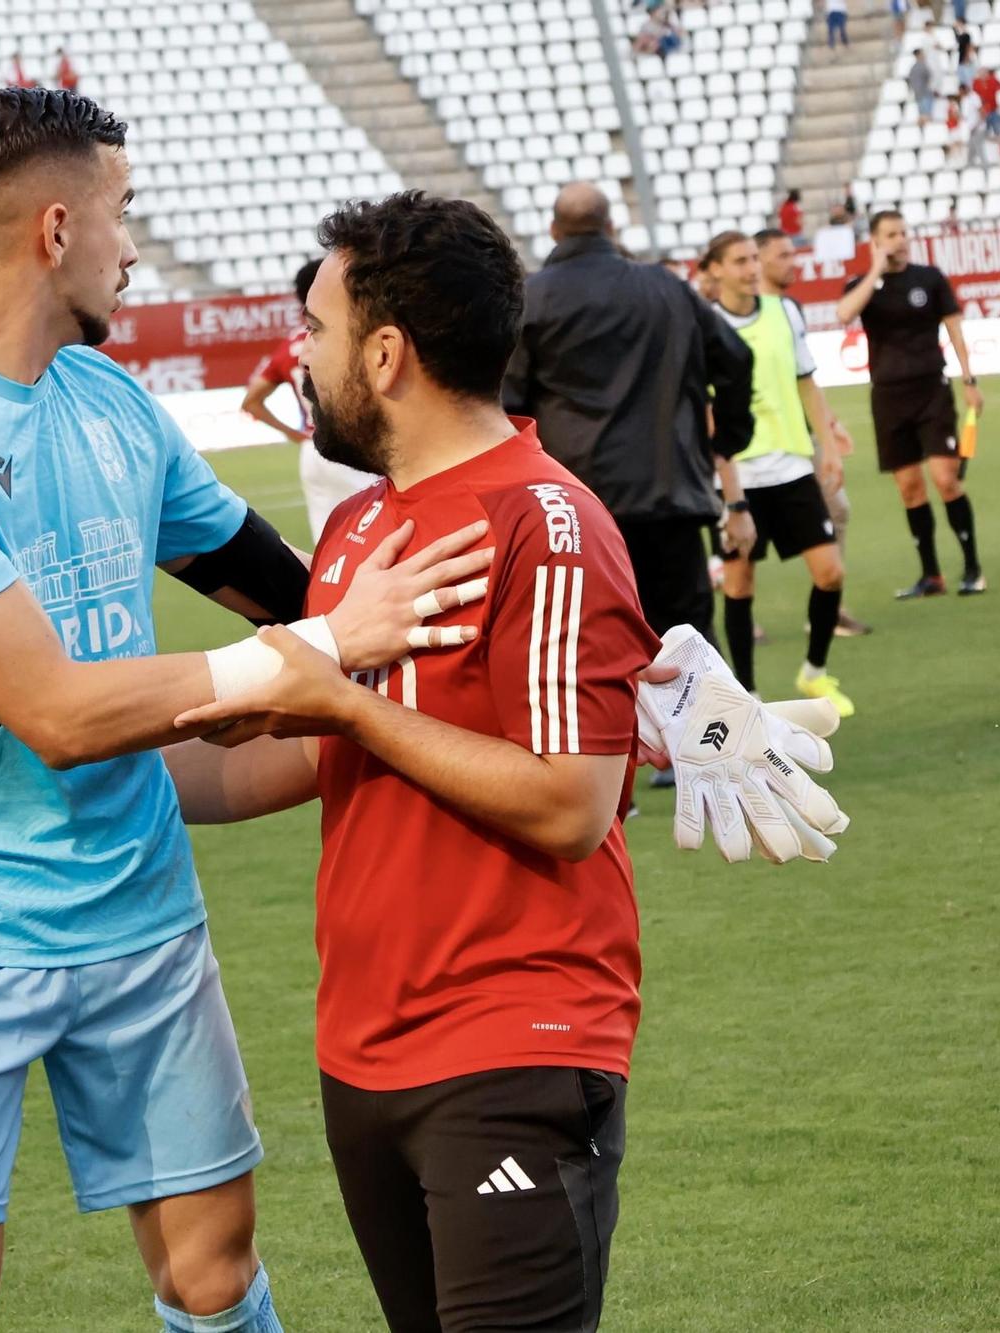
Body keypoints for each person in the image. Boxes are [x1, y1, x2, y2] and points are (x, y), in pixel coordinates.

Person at [0, 87, 492, 1333]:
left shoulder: (111, 407)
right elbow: (57, 710)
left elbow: (286, 583)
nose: (136, 245)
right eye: (124, 214)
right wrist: (328, 645)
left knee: (212, 1275)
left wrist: (610, 660)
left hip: (140, 912)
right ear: (54, 230)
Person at [171, 191, 659, 1333]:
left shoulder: (543, 521)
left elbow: (570, 802)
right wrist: (66, 754)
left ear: (383, 354)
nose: (303, 357)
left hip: (514, 1042)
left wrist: (339, 700)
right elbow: (284, 763)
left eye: (316, 330)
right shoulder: (359, 530)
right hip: (364, 1051)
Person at [504, 181, 755, 646]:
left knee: (592, 648)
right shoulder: (667, 287)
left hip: (573, 509)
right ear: (611, 227)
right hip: (668, 496)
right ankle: (711, 722)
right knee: (688, 648)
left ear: (554, 231)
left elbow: (506, 405)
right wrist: (729, 437)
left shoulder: (531, 300)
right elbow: (736, 358)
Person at [703, 232, 854, 714]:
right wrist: (726, 488)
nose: (750, 268)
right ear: (716, 270)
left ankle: (814, 672)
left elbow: (807, 382)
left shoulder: (784, 312)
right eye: (739, 261)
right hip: (738, 473)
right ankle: (746, 693)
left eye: (753, 258)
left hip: (791, 465)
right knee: (739, 584)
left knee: (830, 573)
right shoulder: (705, 325)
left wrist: (826, 444)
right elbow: (706, 410)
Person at [835, 209, 986, 598]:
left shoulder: (930, 278)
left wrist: (969, 380)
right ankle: (931, 575)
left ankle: (973, 568)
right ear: (875, 241)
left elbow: (954, 329)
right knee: (910, 489)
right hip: (887, 396)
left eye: (903, 232)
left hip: (931, 390)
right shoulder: (861, 285)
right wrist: (875, 271)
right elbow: (844, 313)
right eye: (890, 234)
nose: (900, 239)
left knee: (946, 480)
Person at [755, 228, 871, 637]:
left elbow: (803, 376)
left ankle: (829, 607)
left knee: (837, 508)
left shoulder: (788, 308)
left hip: (798, 435)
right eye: (784, 255)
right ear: (760, 259)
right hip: (755, 445)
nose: (794, 262)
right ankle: (743, 612)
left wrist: (830, 424)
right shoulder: (738, 313)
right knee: (749, 533)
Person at [241, 258, 376, 542]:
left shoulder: (291, 344)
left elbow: (252, 400)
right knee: (381, 534)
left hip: (312, 449)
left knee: (328, 544)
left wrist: (294, 434)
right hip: (351, 443)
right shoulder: (342, 337)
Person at [908, 51, 936, 120]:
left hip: (920, 94)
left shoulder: (913, 68)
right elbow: (930, 76)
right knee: (926, 116)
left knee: (924, 115)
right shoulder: (923, 66)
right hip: (924, 94)